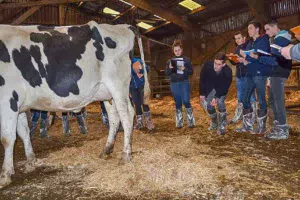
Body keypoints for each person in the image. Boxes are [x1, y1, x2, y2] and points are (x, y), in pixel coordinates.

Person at [254, 19, 292, 140]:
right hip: (275, 72)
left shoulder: (281, 39)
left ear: (275, 26)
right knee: (272, 99)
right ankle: (277, 125)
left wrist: (259, 57)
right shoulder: (276, 39)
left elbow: (275, 60)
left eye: (268, 29)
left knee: (277, 100)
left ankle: (282, 129)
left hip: (279, 71)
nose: (266, 32)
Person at [235, 21, 271, 135]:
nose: (249, 30)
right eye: (248, 29)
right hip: (251, 73)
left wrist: (246, 56)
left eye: (250, 28)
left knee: (261, 99)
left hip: (260, 73)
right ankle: (248, 126)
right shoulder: (251, 43)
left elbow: (262, 57)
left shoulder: (263, 40)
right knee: (245, 99)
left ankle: (261, 127)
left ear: (257, 29)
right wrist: (244, 60)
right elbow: (251, 58)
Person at [200, 52, 232, 135]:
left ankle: (222, 125)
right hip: (210, 87)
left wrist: (216, 97)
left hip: (221, 89)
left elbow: (224, 87)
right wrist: (202, 93)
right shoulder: (207, 65)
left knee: (220, 102)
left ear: (224, 64)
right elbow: (202, 79)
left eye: (218, 64)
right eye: (215, 63)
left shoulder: (228, 72)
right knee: (208, 105)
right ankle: (214, 123)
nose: (215, 66)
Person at [228, 31, 257, 124]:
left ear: (244, 38)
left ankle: (254, 116)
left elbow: (251, 58)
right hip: (239, 75)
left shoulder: (249, 45)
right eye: (235, 39)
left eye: (239, 38)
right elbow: (236, 62)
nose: (237, 40)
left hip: (248, 74)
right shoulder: (237, 48)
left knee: (251, 95)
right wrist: (232, 59)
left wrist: (241, 57)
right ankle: (239, 114)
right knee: (240, 95)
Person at [165, 39, 195, 128]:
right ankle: (179, 122)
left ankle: (191, 121)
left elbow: (191, 72)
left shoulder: (186, 60)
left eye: (178, 50)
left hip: (184, 82)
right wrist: (169, 68)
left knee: (186, 101)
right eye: (175, 50)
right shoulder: (170, 61)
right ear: (173, 51)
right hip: (174, 83)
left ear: (181, 50)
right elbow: (167, 73)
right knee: (178, 102)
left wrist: (184, 69)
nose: (177, 52)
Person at [130, 57, 154, 130]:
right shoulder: (124, 63)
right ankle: (139, 122)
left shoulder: (137, 61)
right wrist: (128, 90)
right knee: (137, 104)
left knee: (144, 103)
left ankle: (148, 121)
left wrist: (140, 70)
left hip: (141, 85)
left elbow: (146, 69)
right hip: (132, 87)